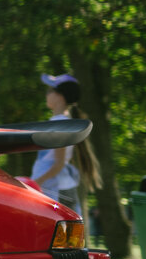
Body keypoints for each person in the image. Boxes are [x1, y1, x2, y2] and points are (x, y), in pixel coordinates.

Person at [32, 72, 101, 216]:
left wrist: (35, 183)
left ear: (60, 96)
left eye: (51, 90)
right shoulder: (65, 122)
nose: (47, 93)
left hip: (55, 192)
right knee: (66, 236)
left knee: (58, 235)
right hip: (62, 189)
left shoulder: (59, 123)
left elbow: (59, 163)